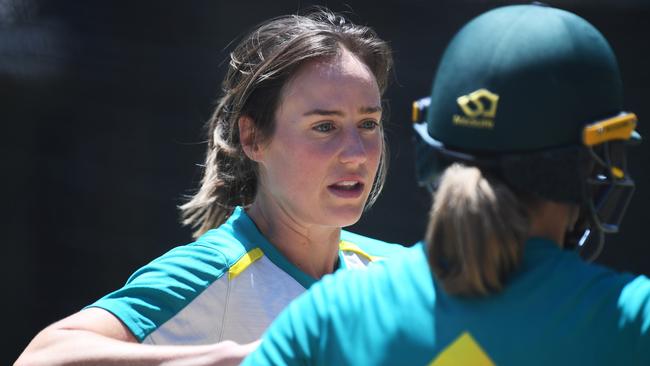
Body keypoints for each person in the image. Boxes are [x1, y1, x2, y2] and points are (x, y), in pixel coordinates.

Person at [243, 4, 650, 365]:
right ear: (584, 165)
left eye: (369, 123)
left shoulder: (330, 314)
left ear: (432, 152)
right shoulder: (632, 318)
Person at [15, 8, 408, 366]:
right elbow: (41, 358)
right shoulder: (212, 271)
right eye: (325, 127)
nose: (356, 153)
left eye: (368, 124)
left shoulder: (401, 275)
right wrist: (236, 358)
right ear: (253, 139)